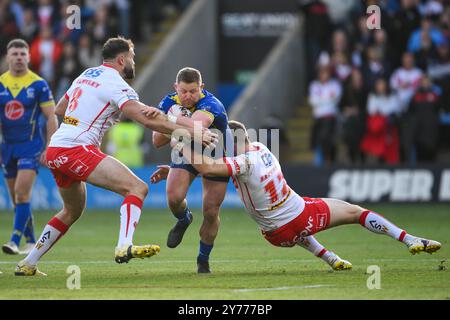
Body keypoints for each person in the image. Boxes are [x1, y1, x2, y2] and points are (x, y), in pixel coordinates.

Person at [14, 37, 217, 276]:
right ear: (122, 59)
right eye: (131, 57)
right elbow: (146, 119)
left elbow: (60, 108)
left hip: (57, 148)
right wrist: (193, 130)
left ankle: (28, 263)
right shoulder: (117, 85)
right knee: (137, 188)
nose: (133, 62)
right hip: (77, 147)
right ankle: (124, 246)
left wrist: (102, 112)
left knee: (71, 210)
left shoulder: (87, 73)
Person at [150, 120, 442, 271]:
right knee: (356, 212)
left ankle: (330, 258)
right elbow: (216, 169)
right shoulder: (261, 151)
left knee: (294, 218)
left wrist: (180, 145)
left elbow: (208, 167)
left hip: (275, 235)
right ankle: (410, 239)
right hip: (299, 216)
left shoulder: (240, 163)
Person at [152, 67, 230, 273]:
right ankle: (184, 218)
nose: (188, 96)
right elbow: (157, 140)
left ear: (201, 88)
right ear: (175, 88)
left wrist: (169, 120)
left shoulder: (211, 104)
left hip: (216, 153)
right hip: (186, 148)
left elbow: (197, 128)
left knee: (211, 211)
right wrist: (172, 124)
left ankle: (202, 260)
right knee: (174, 197)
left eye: (193, 91)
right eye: (183, 91)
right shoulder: (169, 101)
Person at [0, 39, 58, 256]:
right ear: (7, 57)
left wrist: (50, 146)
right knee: (17, 200)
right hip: (7, 147)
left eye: (22, 54)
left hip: (30, 146)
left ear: (29, 57)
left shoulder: (38, 84)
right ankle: (32, 240)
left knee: (22, 193)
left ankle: (14, 240)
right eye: (14, 54)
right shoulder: (1, 83)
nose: (18, 58)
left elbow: (51, 117)